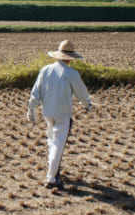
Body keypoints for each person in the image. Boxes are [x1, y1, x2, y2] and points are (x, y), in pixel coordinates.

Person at [26, 40, 92, 189]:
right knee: (58, 144)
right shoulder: (71, 73)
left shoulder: (46, 70)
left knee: (51, 141)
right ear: (70, 58)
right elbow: (81, 92)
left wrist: (31, 108)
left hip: (47, 112)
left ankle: (54, 171)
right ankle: (51, 178)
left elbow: (36, 90)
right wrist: (87, 104)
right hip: (63, 114)